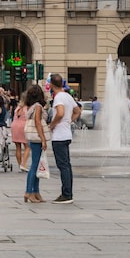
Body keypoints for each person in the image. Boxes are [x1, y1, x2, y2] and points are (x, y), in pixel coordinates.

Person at [48, 74, 79, 203]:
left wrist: (52, 124)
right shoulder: (67, 96)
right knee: (66, 164)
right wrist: (69, 121)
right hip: (66, 134)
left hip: (59, 135)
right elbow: (78, 111)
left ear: (51, 85)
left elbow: (60, 113)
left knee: (63, 165)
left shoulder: (58, 97)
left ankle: (66, 194)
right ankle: (68, 191)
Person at [22, 85, 49, 203]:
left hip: (31, 138)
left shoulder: (30, 106)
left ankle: (36, 192)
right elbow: (38, 122)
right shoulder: (37, 107)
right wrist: (43, 139)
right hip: (37, 138)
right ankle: (29, 191)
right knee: (35, 165)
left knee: (37, 165)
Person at [10, 94, 28, 171]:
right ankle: (24, 164)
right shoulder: (26, 108)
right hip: (23, 126)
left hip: (15, 125)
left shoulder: (18, 107)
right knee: (27, 146)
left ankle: (20, 164)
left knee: (18, 147)